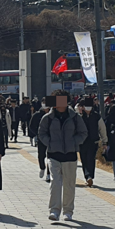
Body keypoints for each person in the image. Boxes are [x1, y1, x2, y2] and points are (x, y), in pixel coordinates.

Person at [38, 90, 88, 221]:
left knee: (69, 184)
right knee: (55, 183)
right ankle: (54, 210)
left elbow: (83, 133)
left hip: (70, 155)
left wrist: (74, 143)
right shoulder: (48, 118)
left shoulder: (75, 117)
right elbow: (41, 133)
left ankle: (68, 211)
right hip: (54, 154)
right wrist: (49, 142)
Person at [78, 97, 107, 187]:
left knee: (91, 159)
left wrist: (104, 141)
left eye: (89, 106)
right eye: (85, 106)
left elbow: (102, 129)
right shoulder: (79, 117)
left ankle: (89, 176)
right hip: (82, 142)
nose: (87, 108)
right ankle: (87, 176)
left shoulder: (96, 116)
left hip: (93, 141)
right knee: (84, 159)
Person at [30, 105, 51, 182]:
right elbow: (31, 126)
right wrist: (37, 134)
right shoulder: (37, 115)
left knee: (50, 157)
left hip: (51, 139)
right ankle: (42, 168)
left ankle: (49, 174)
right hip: (41, 139)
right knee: (41, 155)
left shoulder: (53, 114)